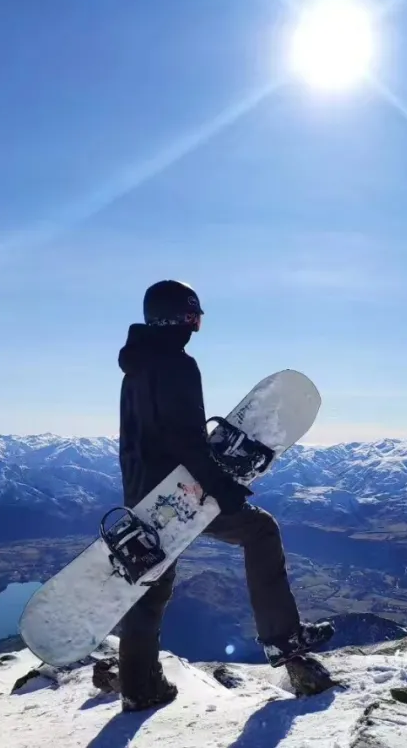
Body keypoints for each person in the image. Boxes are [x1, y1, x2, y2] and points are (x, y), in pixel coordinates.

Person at [115, 279, 334, 712]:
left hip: (143, 493)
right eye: (195, 316)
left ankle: (139, 686)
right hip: (181, 492)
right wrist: (223, 490)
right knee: (260, 531)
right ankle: (283, 638)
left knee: (151, 584)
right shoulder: (177, 364)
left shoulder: (136, 368)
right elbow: (186, 441)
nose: (197, 325)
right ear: (184, 317)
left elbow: (140, 440)